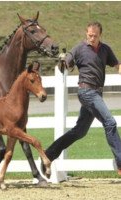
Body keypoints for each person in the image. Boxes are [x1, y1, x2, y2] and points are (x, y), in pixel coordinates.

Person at [42, 21, 121, 175]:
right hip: (86, 92)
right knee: (110, 122)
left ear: (100, 35)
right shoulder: (79, 48)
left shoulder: (105, 50)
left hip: (96, 93)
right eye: (89, 35)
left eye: (95, 36)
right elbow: (66, 62)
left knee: (79, 131)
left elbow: (116, 64)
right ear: (86, 34)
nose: (92, 38)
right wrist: (64, 61)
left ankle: (48, 154)